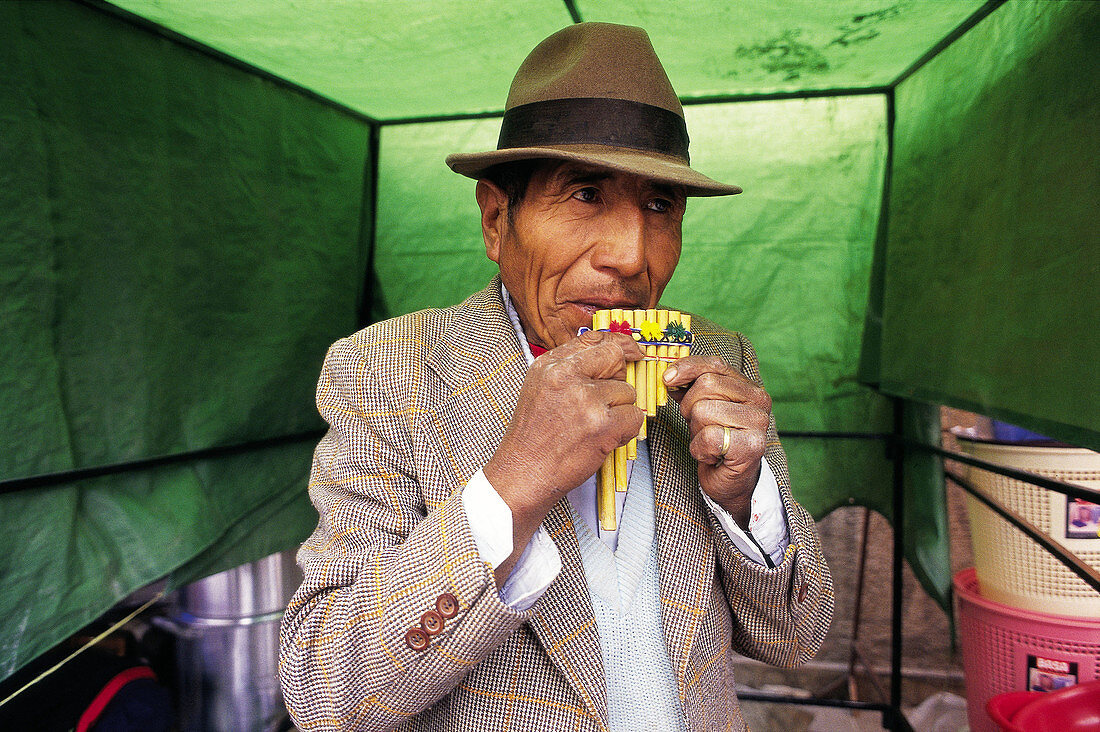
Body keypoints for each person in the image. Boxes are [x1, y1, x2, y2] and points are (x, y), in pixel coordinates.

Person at [280, 22, 833, 732]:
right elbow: (324, 693)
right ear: (494, 219)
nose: (633, 255)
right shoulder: (382, 372)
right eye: (584, 194)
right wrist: (515, 480)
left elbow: (797, 638)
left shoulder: (720, 361)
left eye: (660, 205)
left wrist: (744, 497)